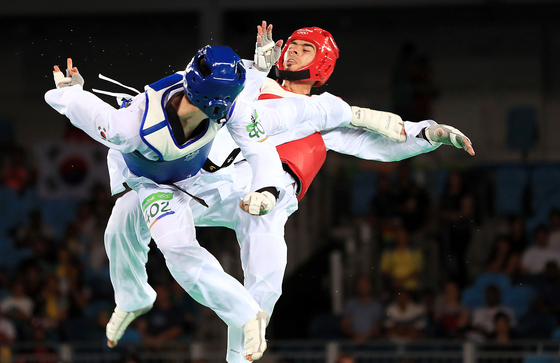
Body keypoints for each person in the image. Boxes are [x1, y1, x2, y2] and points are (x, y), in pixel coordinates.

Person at [102, 22, 475, 363]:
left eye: (305, 49)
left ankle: (238, 360)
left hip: (270, 200)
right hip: (213, 182)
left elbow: (378, 141)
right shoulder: (247, 79)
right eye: (292, 45)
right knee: (126, 213)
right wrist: (256, 71)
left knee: (265, 283)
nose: (293, 51)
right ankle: (132, 295)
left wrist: (428, 134)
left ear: (321, 66)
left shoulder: (324, 112)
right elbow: (193, 82)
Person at [45, 30, 366, 360]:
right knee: (120, 227)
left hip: (192, 180)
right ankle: (132, 298)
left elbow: (260, 150)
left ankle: (245, 316)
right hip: (153, 183)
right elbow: (87, 112)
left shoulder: (233, 107)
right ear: (201, 95)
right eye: (223, 103)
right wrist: (71, 94)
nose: (227, 109)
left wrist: (267, 189)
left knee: (180, 250)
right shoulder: (128, 126)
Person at [340, 275, 384, 342]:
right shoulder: (350, 304)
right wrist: (357, 336)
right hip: (353, 341)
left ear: (371, 286)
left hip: (372, 343)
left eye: (365, 284)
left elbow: (377, 328)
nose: (363, 287)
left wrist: (365, 338)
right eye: (360, 284)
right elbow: (345, 325)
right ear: (356, 287)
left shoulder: (377, 306)